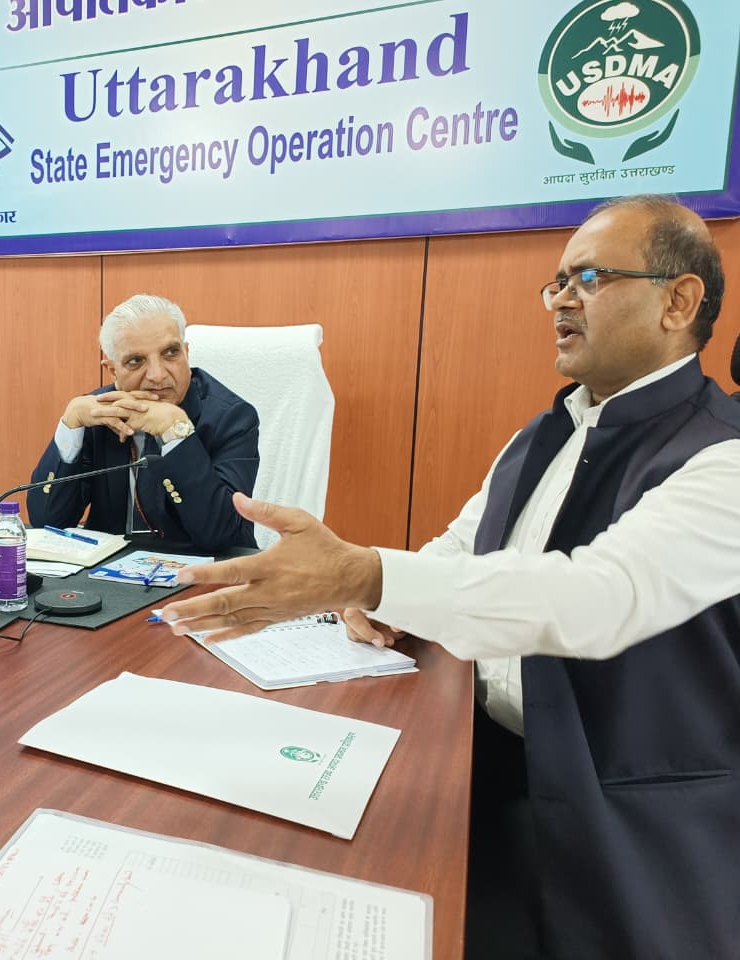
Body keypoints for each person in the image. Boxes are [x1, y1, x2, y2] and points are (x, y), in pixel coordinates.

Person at [161, 196, 740, 960]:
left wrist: (368, 577)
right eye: (557, 282)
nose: (561, 300)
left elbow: (596, 599)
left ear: (679, 301)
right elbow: (460, 545)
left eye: (591, 278)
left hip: (626, 821)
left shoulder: (723, 458)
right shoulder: (543, 434)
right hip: (488, 763)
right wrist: (380, 597)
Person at [26, 293, 260, 551]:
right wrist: (70, 425)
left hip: (204, 568)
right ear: (113, 371)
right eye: (136, 361)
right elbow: (47, 522)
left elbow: (223, 536)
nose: (157, 375)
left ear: (186, 353)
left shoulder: (232, 418)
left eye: (170, 353)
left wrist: (176, 431)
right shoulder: (99, 415)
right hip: (109, 569)